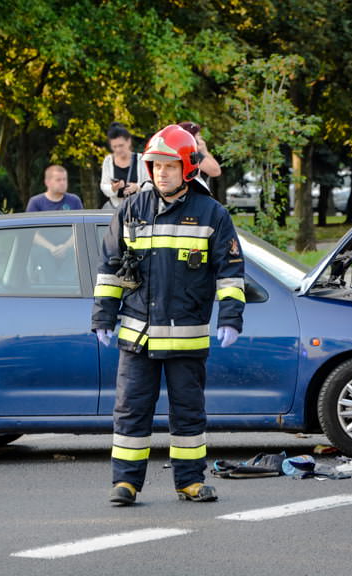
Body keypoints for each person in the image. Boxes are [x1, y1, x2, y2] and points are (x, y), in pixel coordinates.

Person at [91, 124, 245, 506]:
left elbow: (230, 272)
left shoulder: (211, 213)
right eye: (155, 165)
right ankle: (125, 483)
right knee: (130, 413)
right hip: (137, 336)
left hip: (186, 336)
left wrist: (230, 317)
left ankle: (190, 482)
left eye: (169, 166)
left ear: (187, 168)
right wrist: (102, 318)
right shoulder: (131, 209)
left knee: (188, 416)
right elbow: (111, 268)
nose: (161, 172)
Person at [100, 122, 150, 209]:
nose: (118, 150)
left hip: (138, 208)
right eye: (114, 147)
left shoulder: (141, 159)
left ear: (129, 142)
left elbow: (151, 184)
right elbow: (104, 186)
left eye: (121, 145)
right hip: (115, 208)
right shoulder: (108, 161)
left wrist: (137, 187)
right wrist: (113, 188)